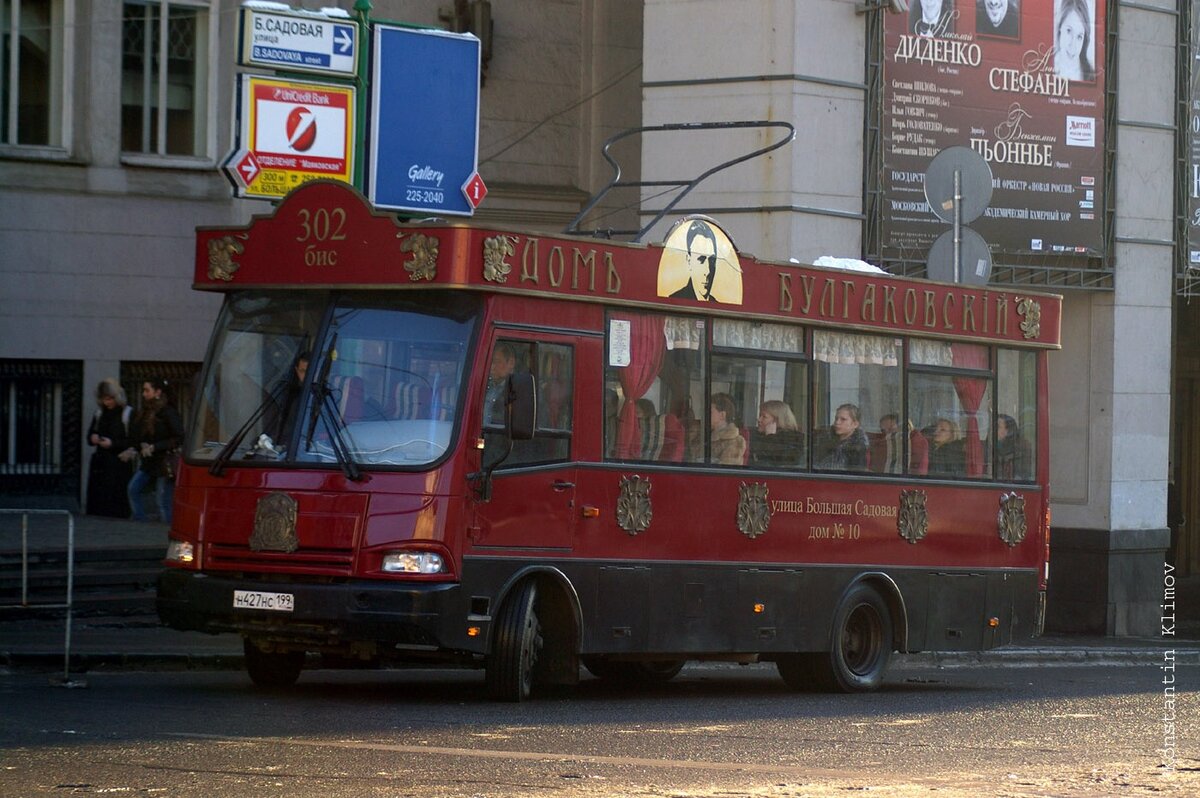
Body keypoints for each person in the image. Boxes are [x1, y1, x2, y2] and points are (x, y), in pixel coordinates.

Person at [125, 378, 184, 524]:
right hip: (149, 462)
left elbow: (178, 437)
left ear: (157, 392)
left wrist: (155, 447)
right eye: (143, 390)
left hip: (165, 463)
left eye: (147, 390)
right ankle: (142, 521)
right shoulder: (145, 411)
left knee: (163, 500)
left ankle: (165, 530)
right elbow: (139, 435)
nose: (144, 394)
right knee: (133, 489)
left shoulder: (168, 412)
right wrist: (138, 447)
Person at [85, 378, 133, 518]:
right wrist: (93, 438)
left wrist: (113, 443)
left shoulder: (127, 413)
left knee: (116, 498)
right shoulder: (99, 413)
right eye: (104, 399)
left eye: (110, 399)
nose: (108, 403)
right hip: (101, 462)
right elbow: (90, 434)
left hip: (119, 462)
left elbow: (132, 440)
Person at [670, 220, 721, 302]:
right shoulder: (674, 301)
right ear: (689, 261)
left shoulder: (719, 307)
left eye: (712, 260)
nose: (707, 271)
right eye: (701, 260)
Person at [750, 399, 802, 467]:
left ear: (777, 421)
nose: (759, 420)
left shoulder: (791, 440)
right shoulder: (758, 435)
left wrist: (770, 438)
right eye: (760, 416)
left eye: (764, 417)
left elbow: (782, 461)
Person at [817, 403, 868, 471]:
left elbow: (856, 474)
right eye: (836, 418)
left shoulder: (858, 447)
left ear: (855, 424)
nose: (837, 422)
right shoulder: (825, 440)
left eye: (843, 419)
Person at [1053, 0, 1094, 82]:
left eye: (1079, 37)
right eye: (1069, 31)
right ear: (1060, 26)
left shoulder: (1090, 75)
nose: (1073, 45)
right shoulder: (1044, 67)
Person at [484, 342, 517, 426]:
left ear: (511, 363)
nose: (491, 367)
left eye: (497, 361)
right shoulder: (485, 387)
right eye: (490, 362)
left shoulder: (518, 391)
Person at [709, 392, 746, 465]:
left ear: (722, 415)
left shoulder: (734, 442)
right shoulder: (703, 434)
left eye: (710, 412)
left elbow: (726, 470)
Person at [994, 414, 1031, 480]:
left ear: (1007, 431)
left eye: (998, 427)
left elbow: (1022, 474)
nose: (995, 430)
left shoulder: (1021, 448)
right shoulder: (996, 445)